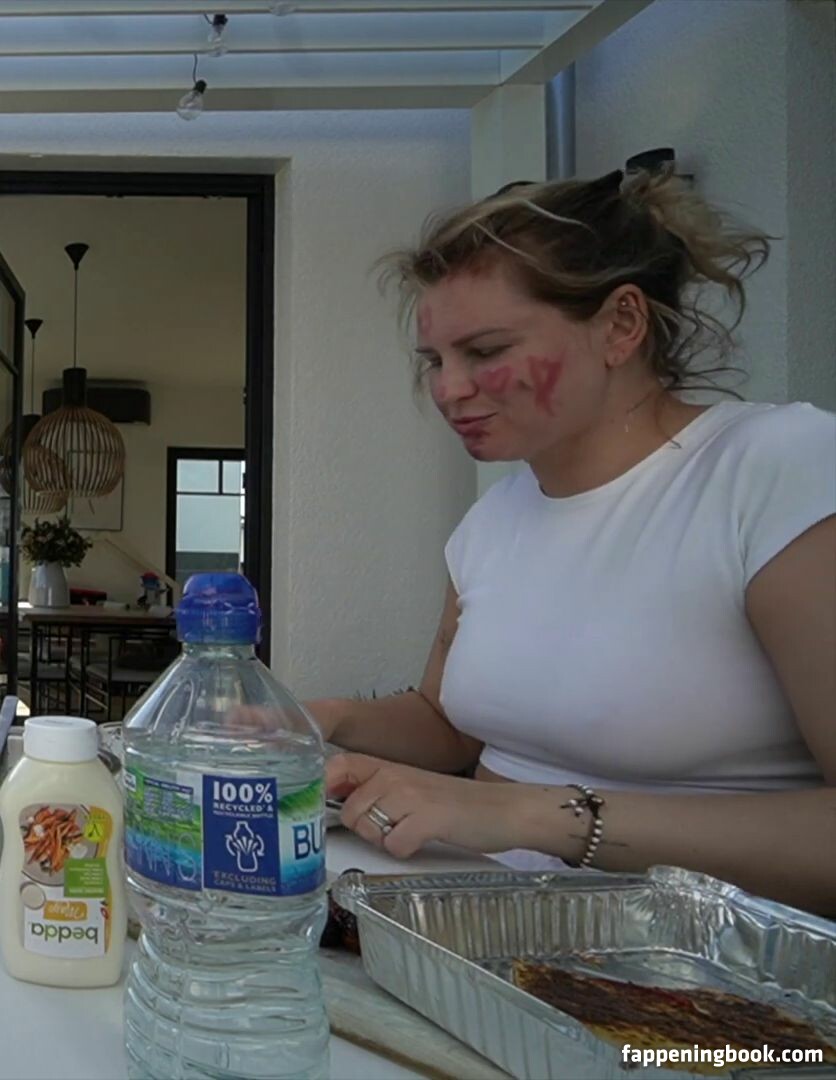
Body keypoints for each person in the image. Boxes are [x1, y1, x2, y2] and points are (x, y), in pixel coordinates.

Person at [312, 168, 835, 915]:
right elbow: (451, 725)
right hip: (487, 932)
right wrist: (320, 719)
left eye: (485, 350)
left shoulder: (777, 471)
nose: (449, 390)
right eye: (435, 361)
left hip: (698, 964)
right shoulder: (492, 521)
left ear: (621, 325)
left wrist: (533, 816)